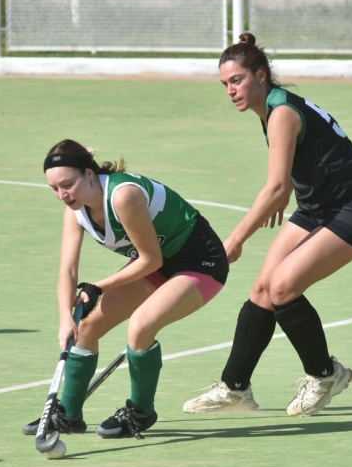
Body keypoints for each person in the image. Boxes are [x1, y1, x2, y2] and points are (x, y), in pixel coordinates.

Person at [183, 32, 352, 418]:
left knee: (283, 287)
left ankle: (326, 375)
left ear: (260, 75)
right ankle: (235, 387)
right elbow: (301, 165)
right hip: (317, 207)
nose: (230, 90)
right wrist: (286, 190)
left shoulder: (282, 112)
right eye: (224, 84)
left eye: (237, 80)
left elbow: (276, 188)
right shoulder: (272, 110)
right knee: (262, 290)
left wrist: (236, 239)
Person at [22, 139, 229, 440]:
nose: (62, 195)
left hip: (199, 262)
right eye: (54, 189)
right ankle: (68, 414)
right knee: (86, 326)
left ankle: (141, 412)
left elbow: (150, 259)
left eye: (67, 184)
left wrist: (98, 287)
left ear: (89, 174)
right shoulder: (75, 211)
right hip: (155, 265)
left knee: (141, 325)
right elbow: (68, 270)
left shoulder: (123, 195)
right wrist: (66, 319)